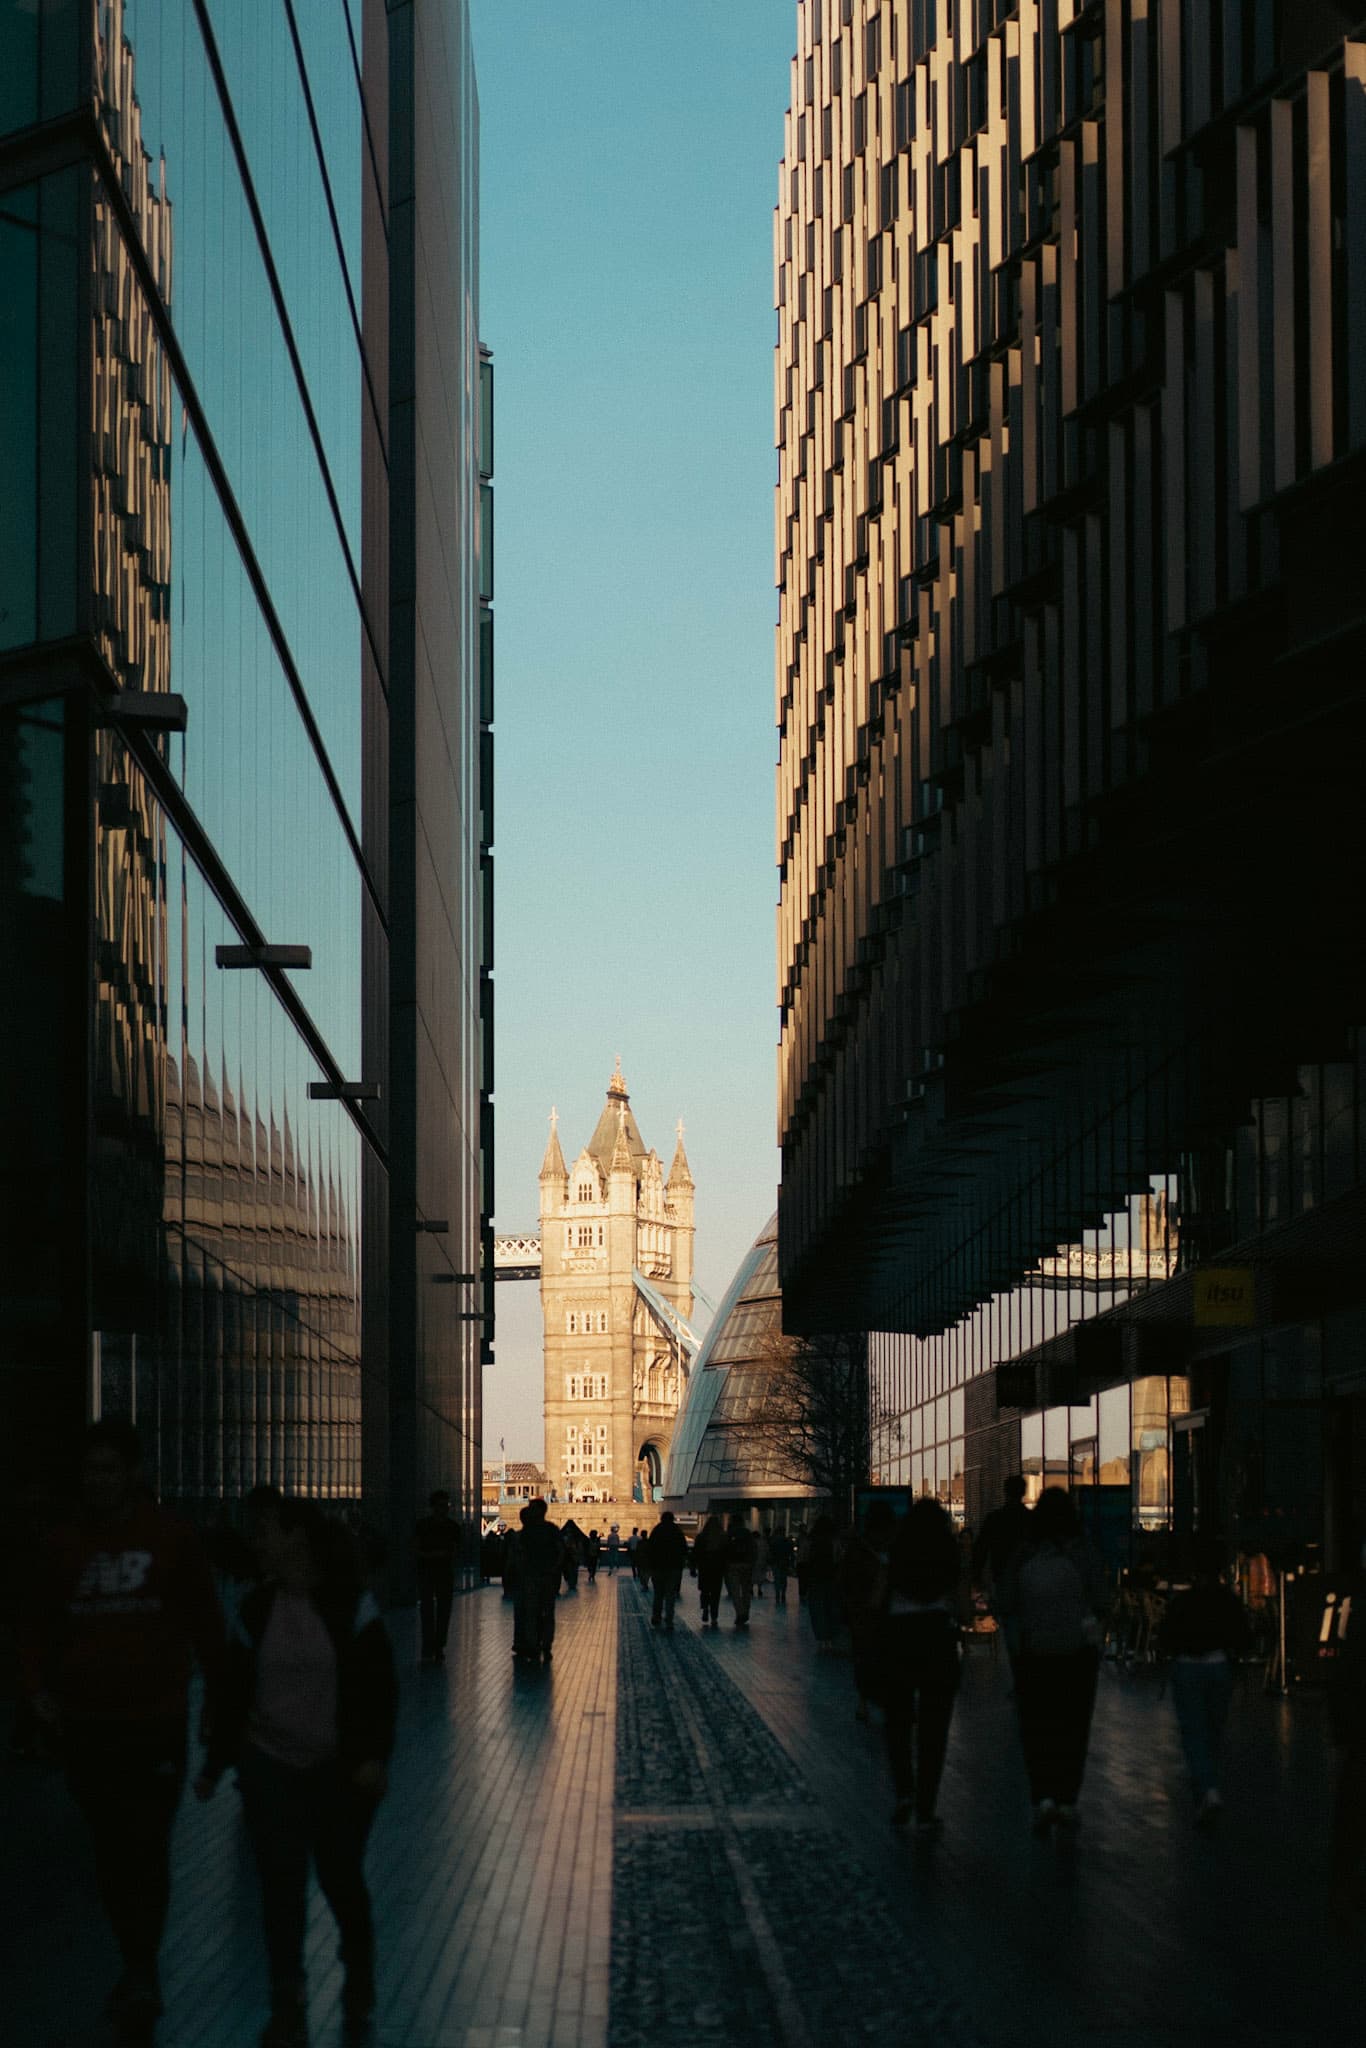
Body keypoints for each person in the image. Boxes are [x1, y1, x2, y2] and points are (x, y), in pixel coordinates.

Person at [19, 1421, 225, 2044]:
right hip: (88, 1727)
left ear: (130, 1474)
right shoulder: (62, 1546)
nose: (99, 1480)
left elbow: (206, 1623)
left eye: (109, 1469)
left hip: (153, 1722)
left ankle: (140, 1969)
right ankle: (138, 1963)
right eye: (91, 1470)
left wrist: (216, 1701)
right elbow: (34, 1627)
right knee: (111, 1855)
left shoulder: (170, 1539)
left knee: (146, 1848)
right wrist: (36, 1695)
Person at [196, 1499, 395, 2048]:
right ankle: (288, 1998)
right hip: (270, 1767)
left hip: (337, 1770)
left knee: (341, 1882)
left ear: (298, 1541)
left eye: (266, 1532)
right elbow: (235, 1690)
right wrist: (216, 1764)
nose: (258, 1542)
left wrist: (374, 1757)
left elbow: (380, 1689)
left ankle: (358, 1983)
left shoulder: (351, 1608)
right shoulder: (257, 1609)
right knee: (280, 1886)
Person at [996, 1487, 1109, 1832]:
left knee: (1037, 1726)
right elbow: (1102, 1598)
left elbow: (1006, 1601)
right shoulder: (1083, 1552)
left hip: (1034, 1653)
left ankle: (1042, 1795)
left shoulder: (1024, 1553)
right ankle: (1067, 1798)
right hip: (1077, 1653)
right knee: (1073, 1727)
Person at [1158, 1538, 1251, 1824]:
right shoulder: (1228, 1600)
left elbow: (1167, 1637)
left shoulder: (1183, 1602)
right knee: (1213, 1729)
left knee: (1193, 1732)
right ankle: (1208, 1782)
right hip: (1218, 1665)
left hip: (1187, 1667)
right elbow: (1242, 1635)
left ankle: (1206, 1787)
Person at [882, 1498, 961, 1830]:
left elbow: (880, 1595)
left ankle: (904, 1792)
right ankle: (926, 1807)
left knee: (898, 1722)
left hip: (900, 1635)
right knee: (935, 1727)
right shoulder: (949, 1552)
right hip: (938, 1635)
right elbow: (960, 1602)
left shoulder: (897, 1551)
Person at [841, 1499, 897, 1721]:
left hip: (864, 1615)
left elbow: (846, 1583)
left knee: (864, 1658)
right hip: (889, 1615)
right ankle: (888, 1699)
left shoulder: (858, 1550)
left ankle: (864, 1701)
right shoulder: (895, 1547)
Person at [508, 1501, 563, 1665]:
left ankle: (538, 1645)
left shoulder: (540, 1531)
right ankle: (541, 1645)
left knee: (535, 1612)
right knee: (541, 1612)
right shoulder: (548, 1530)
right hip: (537, 1577)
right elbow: (560, 1551)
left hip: (538, 1577)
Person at [414, 1489, 459, 1662]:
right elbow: (416, 1549)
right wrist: (437, 1555)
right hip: (431, 1572)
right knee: (430, 1611)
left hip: (441, 1573)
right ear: (433, 1507)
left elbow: (456, 1551)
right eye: (441, 1505)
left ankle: (437, 1645)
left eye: (446, 1505)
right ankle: (432, 1645)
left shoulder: (451, 1527)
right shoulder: (426, 1526)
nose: (444, 1509)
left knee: (440, 1611)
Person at [647, 1513, 690, 1631]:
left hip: (658, 1567)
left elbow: (650, 1548)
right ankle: (669, 1619)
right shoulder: (677, 1531)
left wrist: (650, 1566)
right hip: (673, 1567)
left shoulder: (657, 1530)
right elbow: (684, 1549)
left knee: (658, 1594)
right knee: (670, 1594)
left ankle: (656, 1616)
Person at [806, 1516, 840, 1647]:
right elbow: (838, 1558)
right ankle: (831, 1636)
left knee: (817, 1608)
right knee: (831, 1606)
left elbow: (806, 1558)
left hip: (815, 1578)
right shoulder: (834, 1540)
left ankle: (821, 1637)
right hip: (831, 1577)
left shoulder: (812, 1540)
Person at [692, 1514, 727, 1628]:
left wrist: (693, 1567)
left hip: (704, 1568)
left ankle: (705, 1608)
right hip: (717, 1569)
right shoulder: (722, 1538)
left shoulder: (701, 1537)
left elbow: (695, 1553)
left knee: (705, 1590)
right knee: (716, 1593)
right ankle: (714, 1616)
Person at [723, 1515, 757, 1629]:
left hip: (732, 1565)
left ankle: (740, 1612)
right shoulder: (747, 1534)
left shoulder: (730, 1534)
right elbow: (753, 1548)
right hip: (746, 1565)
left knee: (735, 1591)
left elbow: (725, 1549)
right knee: (746, 1590)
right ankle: (746, 1612)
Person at [769, 1526, 794, 1607]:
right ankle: (783, 1593)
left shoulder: (774, 1542)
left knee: (777, 1579)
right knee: (783, 1579)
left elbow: (771, 1553)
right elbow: (791, 1553)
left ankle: (777, 1594)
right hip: (784, 1563)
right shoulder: (787, 1541)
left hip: (776, 1563)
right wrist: (791, 1564)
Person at [560, 1518, 585, 1592]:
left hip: (573, 1557)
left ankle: (572, 1583)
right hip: (569, 1557)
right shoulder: (567, 1539)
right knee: (570, 1571)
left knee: (573, 1570)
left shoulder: (576, 1540)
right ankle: (572, 1583)